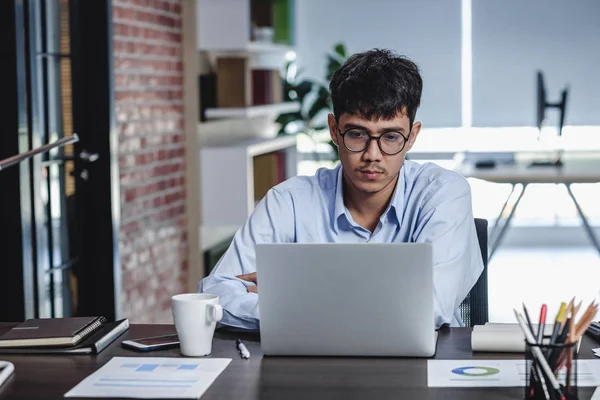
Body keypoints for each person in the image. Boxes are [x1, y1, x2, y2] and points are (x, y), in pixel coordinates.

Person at [198, 49, 484, 330]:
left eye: (391, 136)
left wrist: (295, 299)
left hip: (425, 366)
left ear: (412, 137)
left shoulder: (442, 193)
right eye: (357, 134)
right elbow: (216, 294)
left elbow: (430, 306)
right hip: (315, 367)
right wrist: (364, 303)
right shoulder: (288, 202)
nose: (373, 154)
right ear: (334, 130)